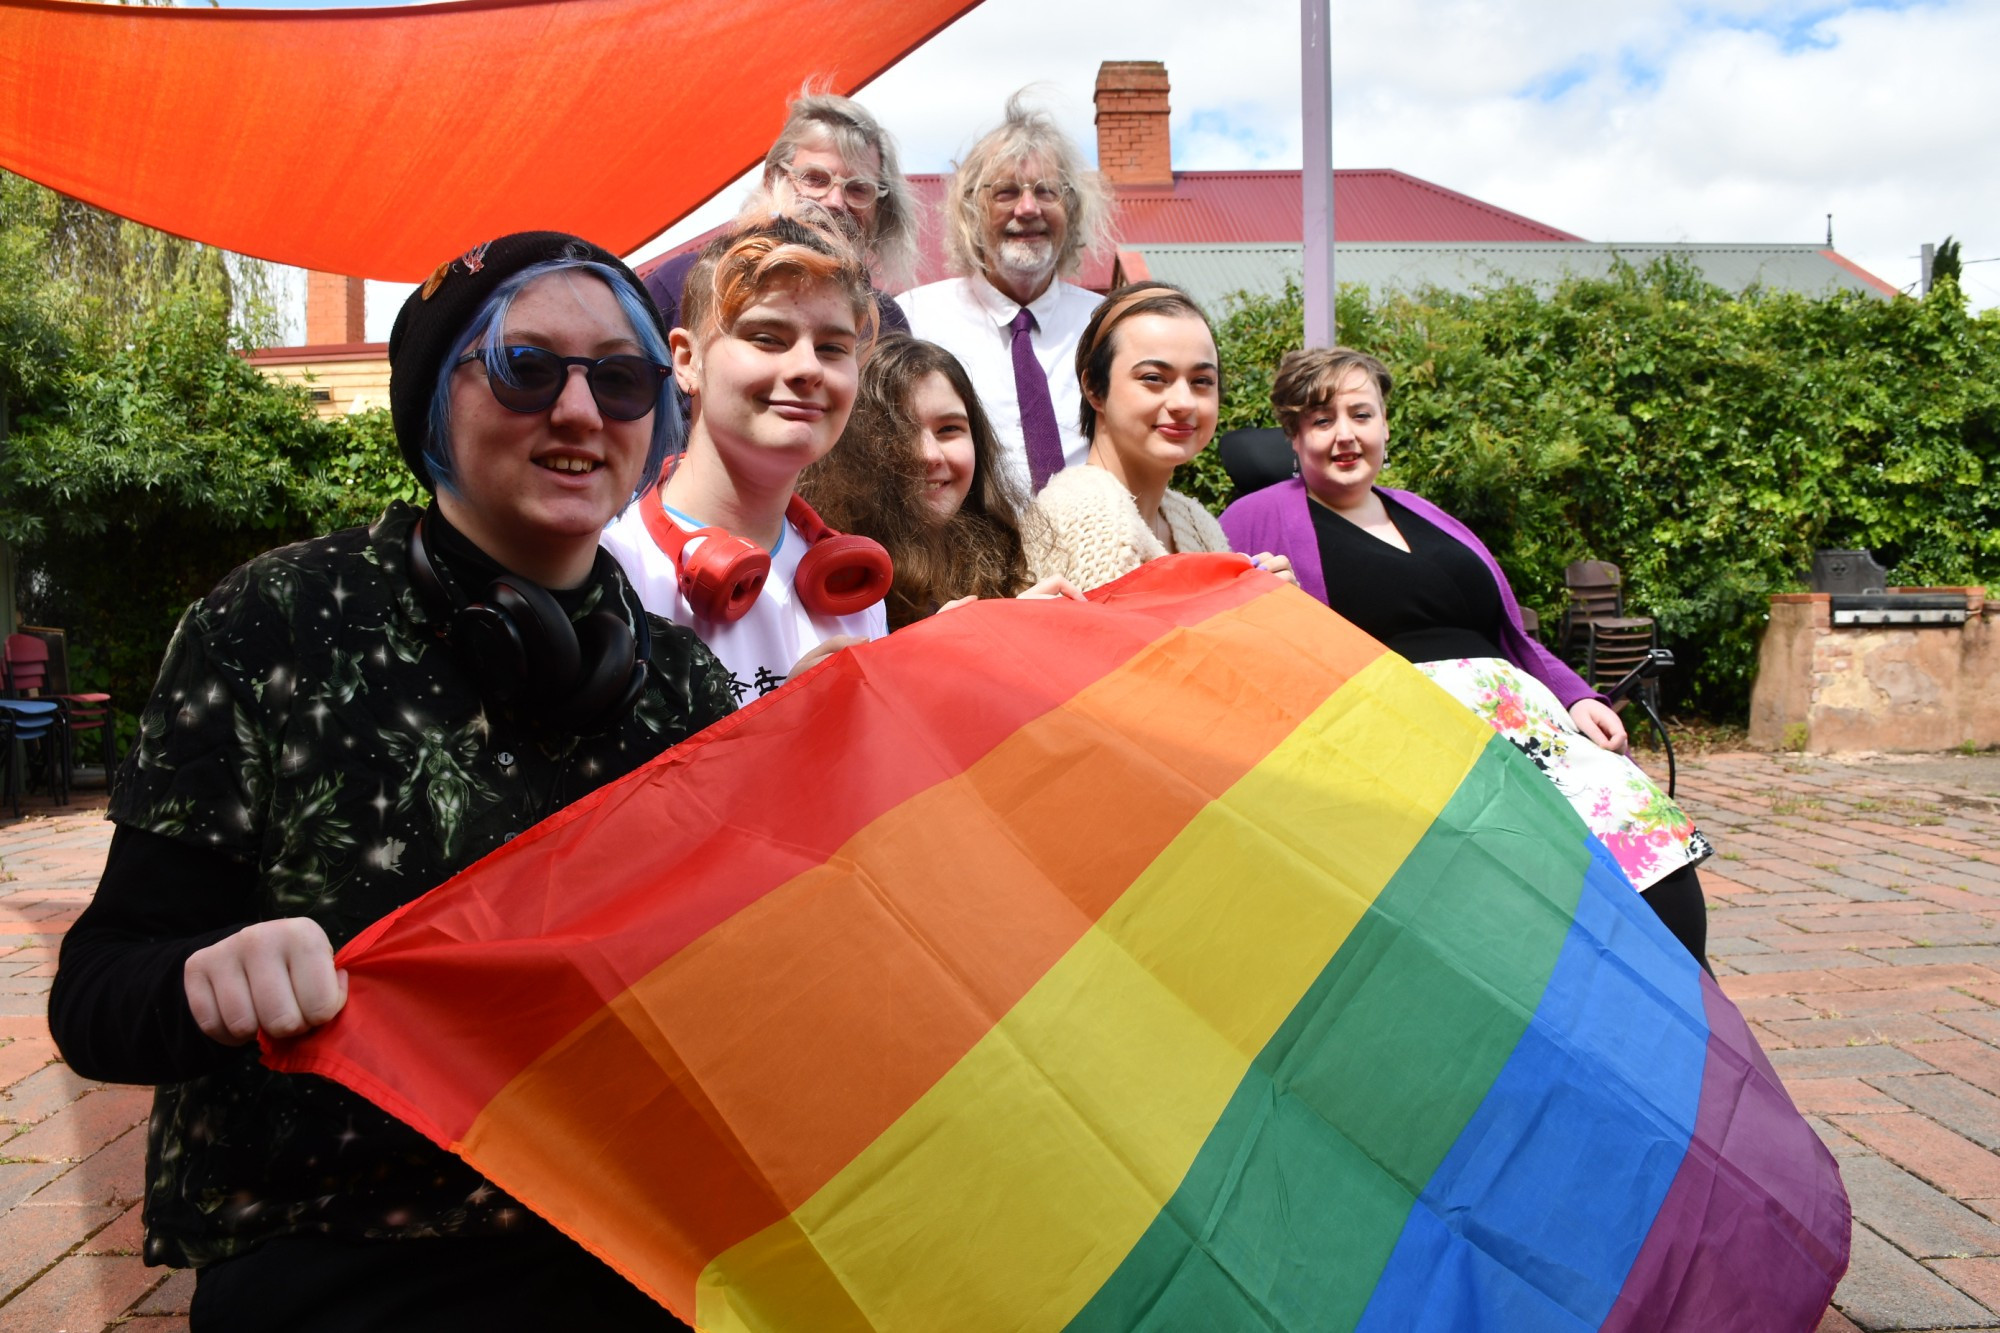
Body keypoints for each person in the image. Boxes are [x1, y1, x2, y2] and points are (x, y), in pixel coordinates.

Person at [48, 232, 739, 1330]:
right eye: (525, 367)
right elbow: (94, 997)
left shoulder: (688, 690)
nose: (578, 411)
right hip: (336, 1254)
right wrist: (204, 983)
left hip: (624, 1244)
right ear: (430, 406)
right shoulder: (266, 627)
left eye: (619, 377)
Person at [1219, 346, 1715, 967]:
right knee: (1541, 890)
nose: (1345, 435)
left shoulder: (1424, 513)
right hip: (1416, 739)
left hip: (1529, 725)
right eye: (1321, 421)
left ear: (1385, 426)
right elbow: (1221, 631)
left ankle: (1696, 1011)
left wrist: (1577, 695)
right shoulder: (1255, 518)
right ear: (1293, 435)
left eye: (1361, 414)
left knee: (1652, 850)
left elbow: (1509, 633)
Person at [601, 217, 891, 701]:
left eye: (832, 347)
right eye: (767, 339)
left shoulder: (850, 587)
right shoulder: (611, 570)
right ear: (687, 361)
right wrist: (778, 733)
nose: (806, 369)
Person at [897, 93, 1113, 496]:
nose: (1028, 208)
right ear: (970, 212)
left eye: (1047, 191)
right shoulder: (914, 320)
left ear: (1072, 208)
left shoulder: (1108, 326)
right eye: (1006, 193)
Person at [1027, 282, 1292, 592]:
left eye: (1201, 381)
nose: (1183, 402)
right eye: (1153, 378)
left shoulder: (1192, 518)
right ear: (1094, 388)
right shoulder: (1088, 518)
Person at [798, 334, 1047, 627]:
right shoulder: (828, 580)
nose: (929, 455)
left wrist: (1029, 624)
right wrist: (932, 647)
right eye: (901, 433)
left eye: (949, 429)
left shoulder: (1004, 560)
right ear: (852, 451)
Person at [643, 89, 916, 340]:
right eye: (815, 178)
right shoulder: (680, 285)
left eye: (858, 189)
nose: (836, 202)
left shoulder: (887, 324)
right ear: (775, 177)